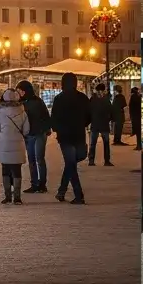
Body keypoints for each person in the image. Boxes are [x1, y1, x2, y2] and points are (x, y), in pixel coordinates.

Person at [50, 71, 90, 204]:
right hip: (78, 134)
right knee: (73, 162)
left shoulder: (59, 99)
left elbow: (54, 119)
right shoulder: (83, 98)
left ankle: (73, 194)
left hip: (65, 136)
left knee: (70, 164)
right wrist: (82, 124)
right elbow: (89, 116)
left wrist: (58, 129)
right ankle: (69, 193)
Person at [0, 89, 31, 204]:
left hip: (3, 145)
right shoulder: (23, 113)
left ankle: (7, 196)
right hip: (18, 145)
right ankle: (17, 197)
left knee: (5, 170)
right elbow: (26, 131)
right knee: (17, 171)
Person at [16, 81, 51, 194]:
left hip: (40, 134)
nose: (19, 93)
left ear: (25, 90)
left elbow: (46, 116)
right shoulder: (21, 103)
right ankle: (34, 184)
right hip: (29, 135)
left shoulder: (37, 102)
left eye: (20, 91)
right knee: (31, 160)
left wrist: (47, 129)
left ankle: (42, 184)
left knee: (39, 158)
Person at [88, 82, 113, 167]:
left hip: (96, 124)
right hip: (102, 124)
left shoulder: (93, 99)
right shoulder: (106, 99)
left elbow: (89, 111)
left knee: (93, 143)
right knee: (104, 143)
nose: (100, 92)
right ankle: (106, 161)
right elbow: (110, 111)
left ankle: (92, 160)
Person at [130, 86, 142, 152]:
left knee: (138, 132)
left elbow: (131, 107)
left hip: (136, 117)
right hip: (139, 116)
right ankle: (140, 145)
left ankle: (139, 146)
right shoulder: (140, 97)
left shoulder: (133, 97)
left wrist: (131, 116)